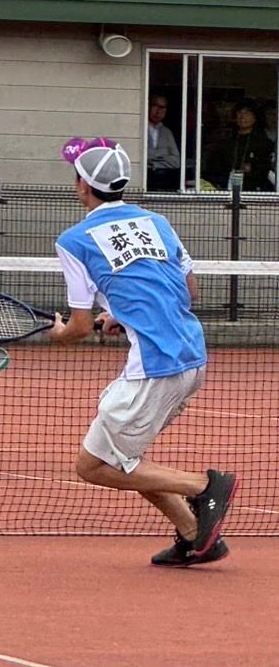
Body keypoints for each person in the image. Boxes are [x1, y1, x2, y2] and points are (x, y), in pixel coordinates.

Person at [49, 138, 235, 567]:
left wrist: (60, 334)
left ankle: (204, 485)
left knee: (93, 466)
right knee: (124, 455)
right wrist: (121, 314)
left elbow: (77, 325)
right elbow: (188, 290)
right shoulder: (157, 222)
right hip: (193, 356)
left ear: (82, 185)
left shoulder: (74, 241)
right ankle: (195, 535)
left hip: (156, 366)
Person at [203, 101, 270, 191]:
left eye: (247, 113)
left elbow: (266, 169)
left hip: (254, 191)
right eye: (239, 113)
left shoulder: (263, 142)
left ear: (255, 117)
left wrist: (251, 170)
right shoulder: (226, 142)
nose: (242, 116)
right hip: (227, 188)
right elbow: (213, 168)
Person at [145, 94, 181, 191]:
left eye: (162, 107)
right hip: (144, 182)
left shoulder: (167, 133)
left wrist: (154, 163)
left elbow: (176, 161)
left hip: (163, 184)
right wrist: (163, 159)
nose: (158, 111)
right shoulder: (140, 129)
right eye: (155, 106)